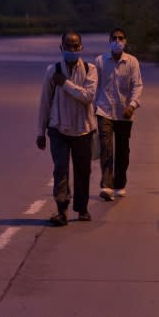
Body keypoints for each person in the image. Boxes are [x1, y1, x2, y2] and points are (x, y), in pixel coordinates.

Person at [36, 31, 98, 226]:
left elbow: (88, 96)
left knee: (83, 171)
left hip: (83, 129)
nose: (72, 49)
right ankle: (61, 210)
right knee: (60, 169)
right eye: (68, 46)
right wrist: (40, 132)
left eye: (75, 46)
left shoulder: (90, 69)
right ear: (61, 48)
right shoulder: (51, 71)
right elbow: (45, 102)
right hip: (58, 129)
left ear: (81, 47)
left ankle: (82, 209)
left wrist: (65, 84)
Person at [94, 28, 144, 201]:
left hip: (125, 113)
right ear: (109, 41)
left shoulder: (132, 62)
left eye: (120, 38)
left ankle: (120, 184)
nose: (117, 41)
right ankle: (106, 185)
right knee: (106, 148)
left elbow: (137, 86)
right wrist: (92, 108)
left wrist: (132, 105)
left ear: (125, 41)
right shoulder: (100, 61)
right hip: (104, 110)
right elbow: (94, 86)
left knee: (123, 151)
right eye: (114, 38)